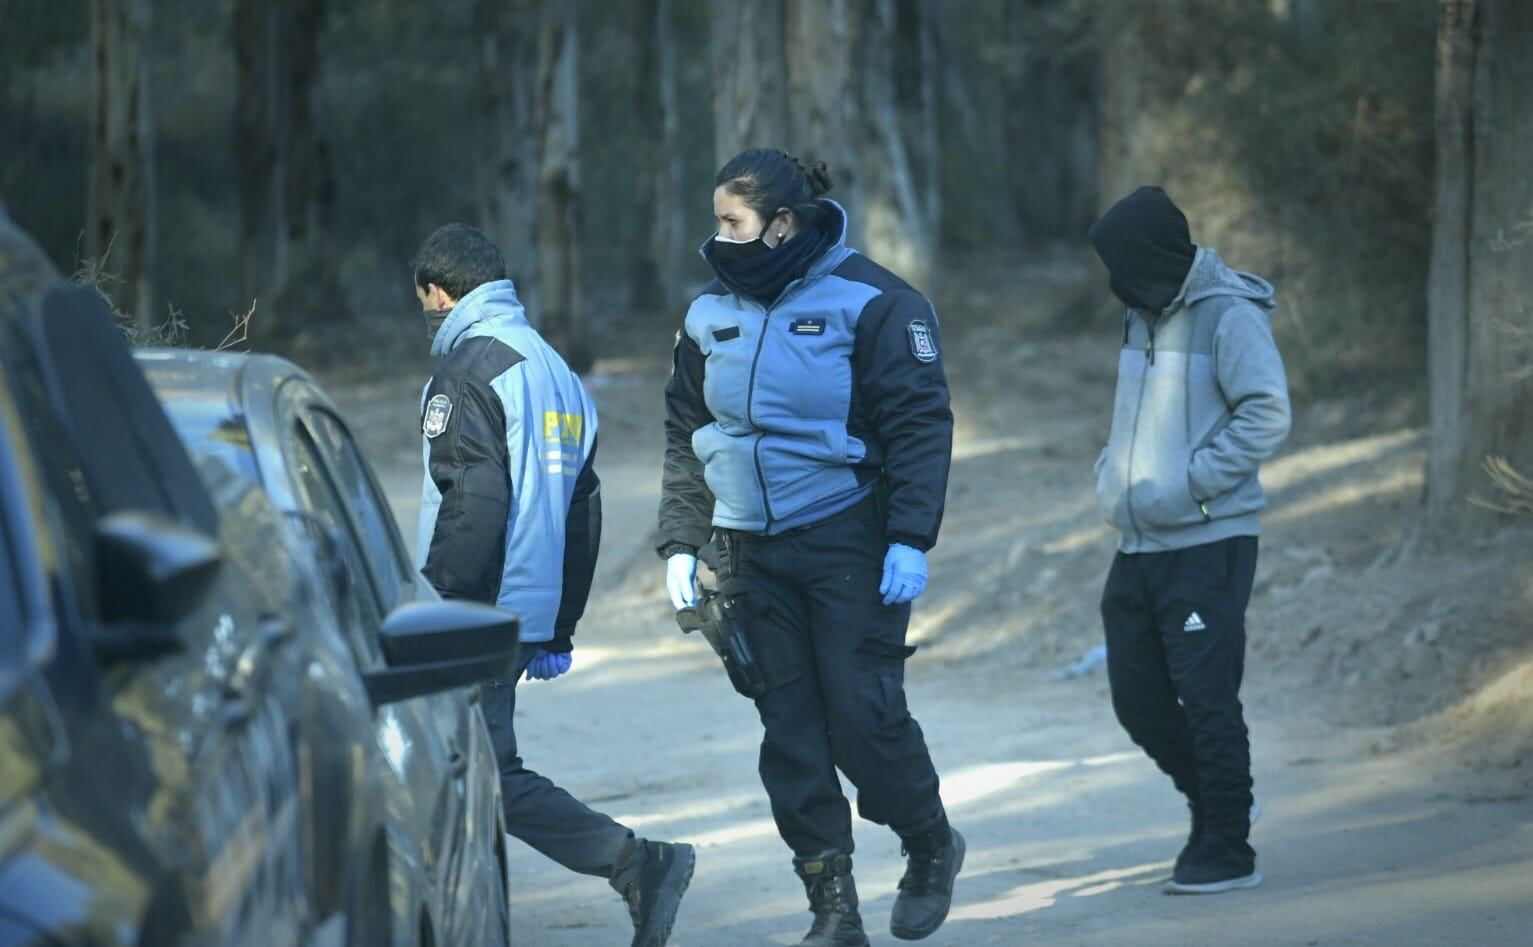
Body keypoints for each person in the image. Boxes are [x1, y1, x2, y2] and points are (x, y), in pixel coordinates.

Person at [657, 149, 961, 945]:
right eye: (716, 219)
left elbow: (920, 426)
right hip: (747, 551)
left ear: (780, 222)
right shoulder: (705, 314)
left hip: (846, 538)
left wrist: (908, 538)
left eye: (732, 221)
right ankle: (834, 907)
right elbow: (686, 433)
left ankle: (929, 841)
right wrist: (682, 541)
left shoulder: (877, 302)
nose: (717, 236)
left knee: (861, 719)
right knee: (789, 731)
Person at [412, 224, 694, 946]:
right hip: (520, 609)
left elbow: (473, 503)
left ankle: (634, 863)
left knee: (471, 774)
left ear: (438, 293)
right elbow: (582, 505)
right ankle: (630, 866)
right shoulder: (553, 368)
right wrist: (558, 621)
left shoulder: (468, 369)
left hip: (471, 611)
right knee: (475, 771)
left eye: (424, 303)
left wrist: (435, 610)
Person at [1088, 186, 1291, 895]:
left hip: (1207, 537)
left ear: (1150, 256)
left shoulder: (1225, 314)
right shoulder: (1140, 310)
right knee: (1136, 699)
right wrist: (1112, 476)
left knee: (1205, 697)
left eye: (1120, 262)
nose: (1113, 279)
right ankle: (1217, 803)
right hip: (1138, 541)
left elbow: (1266, 413)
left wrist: (1189, 486)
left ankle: (1227, 846)